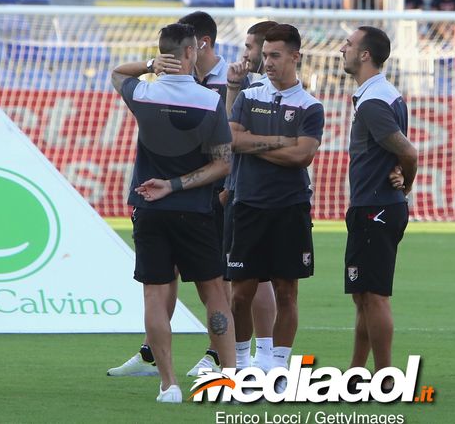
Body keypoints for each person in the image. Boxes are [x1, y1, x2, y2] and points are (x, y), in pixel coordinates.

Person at [110, 22, 235, 403]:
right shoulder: (210, 101)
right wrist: (178, 184)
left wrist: (150, 64)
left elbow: (116, 73)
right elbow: (223, 165)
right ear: (191, 53)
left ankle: (169, 384)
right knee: (214, 294)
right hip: (194, 211)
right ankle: (229, 381)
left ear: (165, 54)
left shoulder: (143, 92)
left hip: (149, 209)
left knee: (155, 295)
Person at [227, 24, 324, 378]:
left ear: (295, 57)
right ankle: (239, 364)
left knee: (287, 292)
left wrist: (256, 143)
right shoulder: (249, 95)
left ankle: (278, 368)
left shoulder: (310, 106)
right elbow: (233, 140)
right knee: (240, 294)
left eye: (274, 55)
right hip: (249, 204)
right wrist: (280, 142)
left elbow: (302, 156)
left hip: (290, 207)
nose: (266, 62)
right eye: (264, 55)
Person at [340, 27, 417, 374]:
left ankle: (386, 377)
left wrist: (406, 184)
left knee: (374, 296)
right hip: (373, 205)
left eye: (349, 44)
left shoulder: (373, 101)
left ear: (365, 54)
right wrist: (401, 174)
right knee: (363, 297)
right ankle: (357, 373)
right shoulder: (383, 94)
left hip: (376, 207)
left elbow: (408, 151)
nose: (343, 49)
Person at [224, 21, 281, 369]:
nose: (245, 53)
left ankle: (261, 356)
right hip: (244, 190)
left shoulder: (274, 92)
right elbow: (230, 133)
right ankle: (255, 355)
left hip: (264, 196)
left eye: (250, 47)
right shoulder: (246, 89)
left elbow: (237, 138)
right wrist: (232, 87)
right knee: (254, 278)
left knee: (256, 279)